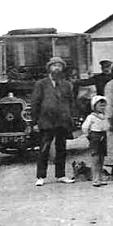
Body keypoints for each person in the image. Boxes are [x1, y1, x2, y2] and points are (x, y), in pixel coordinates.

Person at [31, 56, 76, 186]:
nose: (57, 68)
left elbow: (70, 102)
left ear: (62, 69)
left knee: (61, 148)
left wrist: (70, 117)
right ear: (49, 68)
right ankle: (40, 176)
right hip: (46, 121)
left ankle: (60, 175)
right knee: (44, 148)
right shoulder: (41, 84)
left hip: (62, 121)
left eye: (59, 66)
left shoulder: (67, 85)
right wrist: (34, 122)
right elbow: (35, 103)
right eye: (54, 65)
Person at [81, 95, 110, 187]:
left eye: (104, 105)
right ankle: (95, 178)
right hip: (95, 137)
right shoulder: (91, 117)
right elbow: (85, 127)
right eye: (100, 105)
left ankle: (100, 177)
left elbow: (107, 126)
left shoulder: (104, 116)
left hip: (103, 136)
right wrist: (89, 136)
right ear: (94, 106)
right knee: (95, 158)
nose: (102, 107)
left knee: (101, 158)